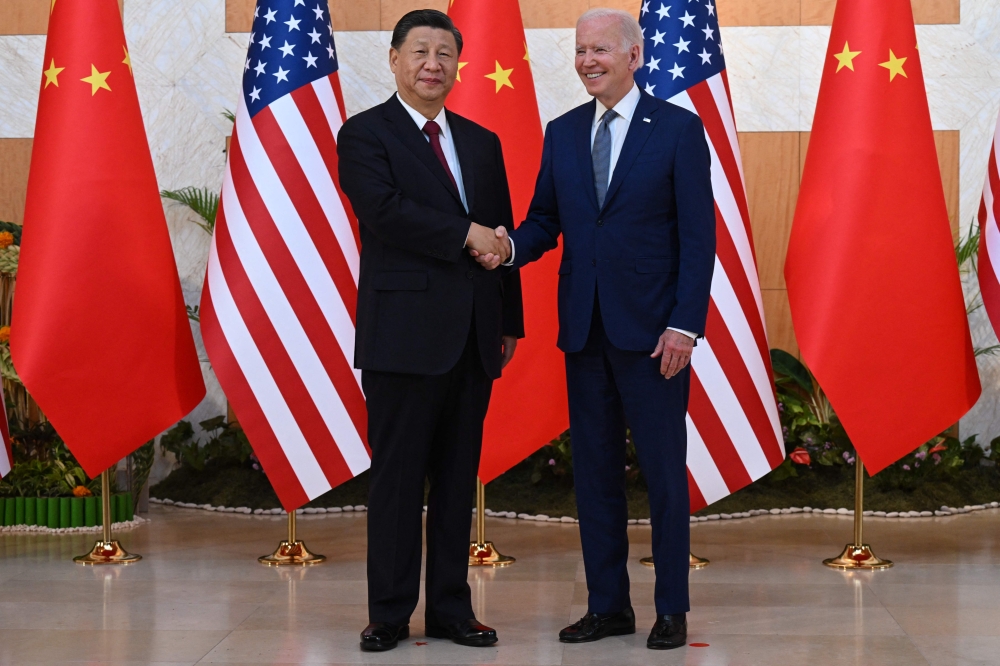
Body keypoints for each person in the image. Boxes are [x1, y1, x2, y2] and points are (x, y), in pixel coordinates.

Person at [473, 7, 715, 651]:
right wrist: (509, 248)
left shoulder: (679, 131)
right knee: (597, 476)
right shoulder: (563, 132)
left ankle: (671, 609)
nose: (588, 61)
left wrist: (684, 327)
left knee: (664, 477)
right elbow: (546, 219)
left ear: (634, 56)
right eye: (581, 51)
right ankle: (609, 606)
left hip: (655, 338)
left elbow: (699, 239)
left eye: (601, 50)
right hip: (584, 333)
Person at [337, 9, 523, 653]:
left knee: (455, 479)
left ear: (456, 66)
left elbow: (500, 235)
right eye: (419, 51)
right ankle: (388, 612)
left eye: (444, 54)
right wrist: (461, 234)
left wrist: (510, 320)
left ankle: (450, 609)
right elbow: (383, 214)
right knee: (395, 480)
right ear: (393, 60)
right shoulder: (364, 134)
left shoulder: (481, 141)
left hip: (475, 335)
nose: (432, 64)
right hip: (402, 336)